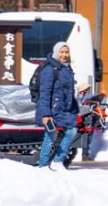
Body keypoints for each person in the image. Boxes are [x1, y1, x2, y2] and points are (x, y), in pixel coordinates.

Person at [30, 42, 79, 170]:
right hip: (52, 110)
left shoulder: (67, 68)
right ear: (56, 52)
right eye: (61, 52)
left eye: (66, 52)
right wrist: (45, 114)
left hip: (65, 109)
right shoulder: (50, 69)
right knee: (51, 136)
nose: (64, 55)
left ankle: (57, 161)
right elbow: (45, 93)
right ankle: (43, 165)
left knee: (72, 132)